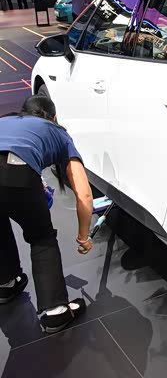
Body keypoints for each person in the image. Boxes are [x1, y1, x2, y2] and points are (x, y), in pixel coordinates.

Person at [0, 96, 92, 333]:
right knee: (41, 237)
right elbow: (83, 193)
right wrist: (84, 236)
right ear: (54, 117)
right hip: (16, 173)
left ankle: (6, 283)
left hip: (14, 172)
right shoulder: (57, 132)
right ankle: (56, 311)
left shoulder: (5, 121)